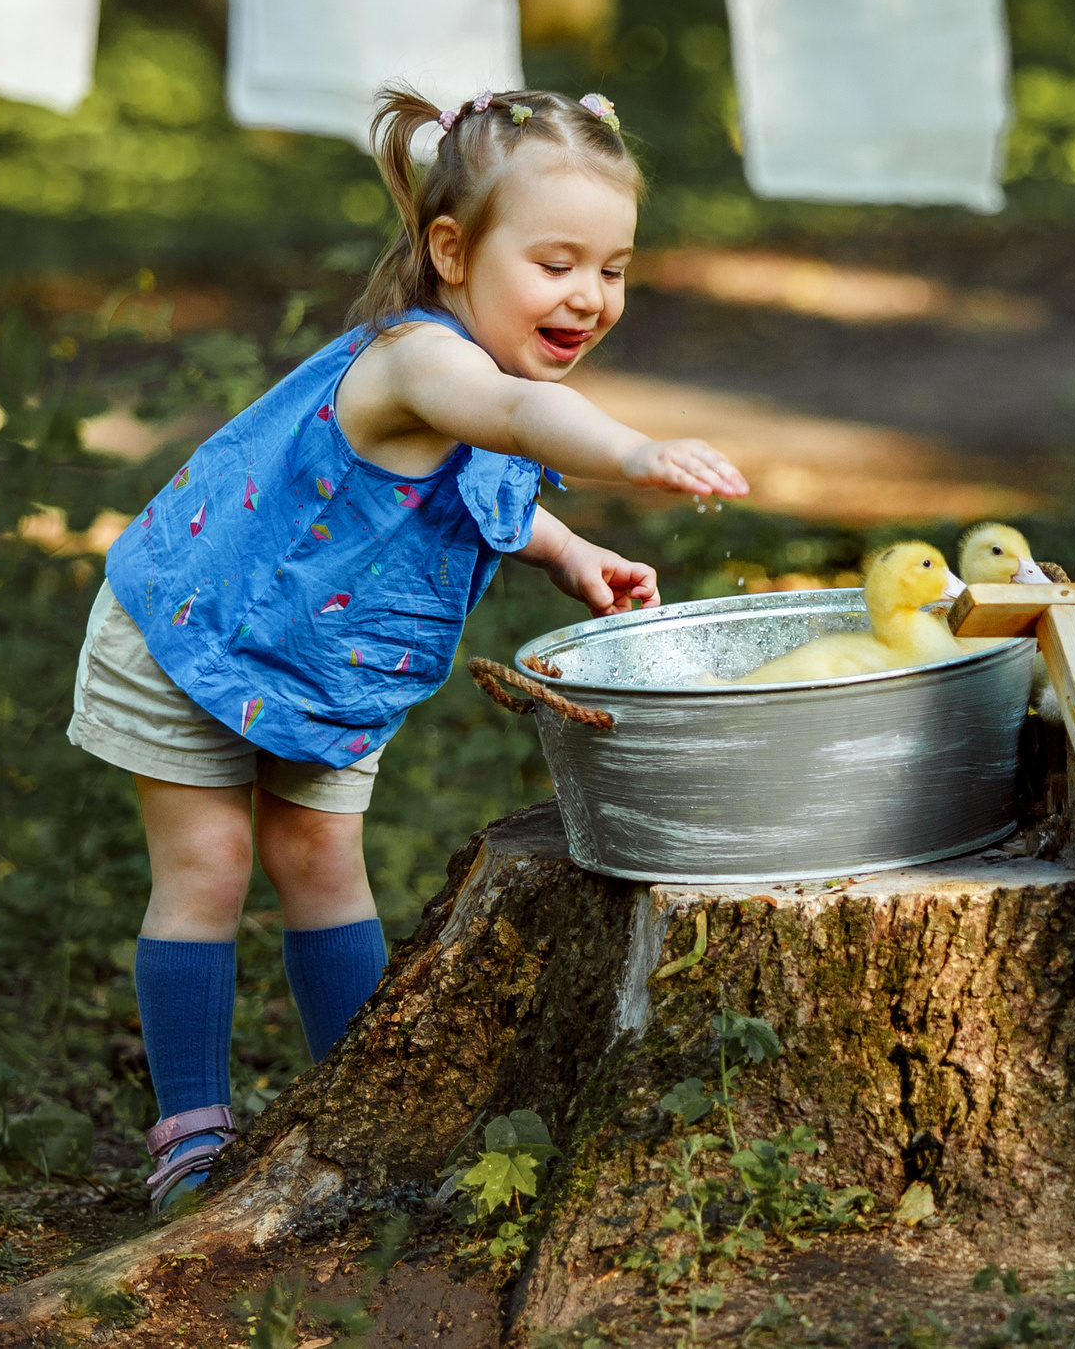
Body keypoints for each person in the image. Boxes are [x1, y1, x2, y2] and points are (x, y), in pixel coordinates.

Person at [67, 86, 748, 1213]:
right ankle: (192, 1132)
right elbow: (515, 424)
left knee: (322, 860)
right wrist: (636, 451)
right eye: (556, 263)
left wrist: (567, 549)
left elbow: (485, 477)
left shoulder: (487, 376)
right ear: (451, 250)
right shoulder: (420, 363)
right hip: (198, 630)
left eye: (614, 268)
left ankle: (361, 1112)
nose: (589, 295)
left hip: (323, 665)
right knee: (209, 867)